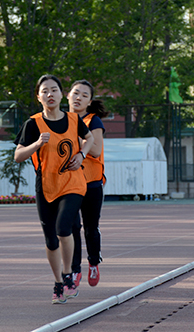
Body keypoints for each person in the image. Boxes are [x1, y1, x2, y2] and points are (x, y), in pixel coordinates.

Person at [14, 74, 94, 304]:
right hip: (46, 186)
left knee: (63, 228)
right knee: (50, 240)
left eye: (54, 90)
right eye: (45, 91)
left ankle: (68, 274)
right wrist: (37, 143)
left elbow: (89, 138)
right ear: (38, 97)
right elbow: (18, 155)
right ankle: (58, 282)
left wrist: (82, 154)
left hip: (73, 183)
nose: (50, 94)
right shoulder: (33, 124)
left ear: (62, 94)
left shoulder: (73, 119)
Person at [68, 79, 108, 288]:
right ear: (68, 96)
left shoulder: (93, 121)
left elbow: (96, 150)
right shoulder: (60, 120)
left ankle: (93, 262)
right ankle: (75, 270)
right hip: (68, 183)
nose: (79, 98)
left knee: (90, 228)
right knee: (71, 227)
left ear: (89, 101)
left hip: (91, 183)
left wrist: (77, 137)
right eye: (76, 93)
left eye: (84, 95)